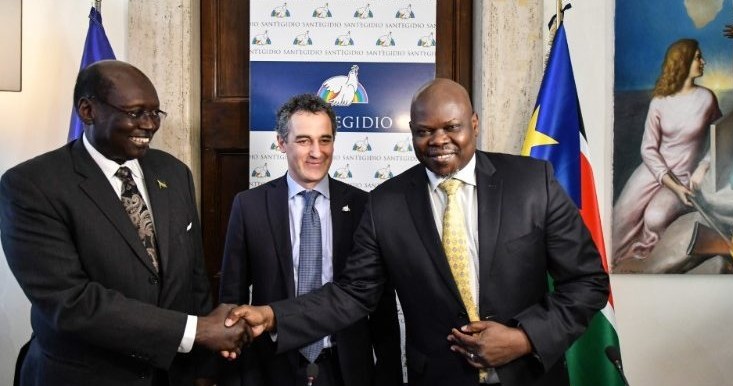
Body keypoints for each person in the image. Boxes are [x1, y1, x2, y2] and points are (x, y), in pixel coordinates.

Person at [226, 79, 610, 386]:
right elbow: (353, 294)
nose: (439, 140)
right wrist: (274, 316)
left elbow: (588, 281)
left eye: (452, 127)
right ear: (411, 132)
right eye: (425, 131)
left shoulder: (532, 183)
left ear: (473, 124)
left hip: (531, 373)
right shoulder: (385, 204)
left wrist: (525, 337)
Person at [0, 60, 249, 386]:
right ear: (88, 111)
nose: (149, 125)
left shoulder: (174, 173)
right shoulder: (32, 186)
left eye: (155, 113)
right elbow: (72, 303)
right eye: (135, 113)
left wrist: (202, 366)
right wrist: (198, 332)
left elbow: (194, 278)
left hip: (172, 375)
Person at [218, 94, 402, 386]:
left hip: (347, 367)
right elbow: (232, 298)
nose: (317, 152)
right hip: (271, 365)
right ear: (281, 143)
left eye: (325, 140)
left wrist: (389, 375)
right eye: (304, 140)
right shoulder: (249, 206)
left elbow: (380, 304)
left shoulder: (364, 206)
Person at [613, 39, 722, 265]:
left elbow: (719, 134)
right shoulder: (659, 102)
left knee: (654, 218)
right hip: (653, 172)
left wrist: (704, 165)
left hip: (684, 175)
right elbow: (648, 149)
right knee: (617, 224)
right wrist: (670, 182)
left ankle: (650, 261)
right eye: (697, 58)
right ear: (682, 62)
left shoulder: (707, 98)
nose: (703, 62)